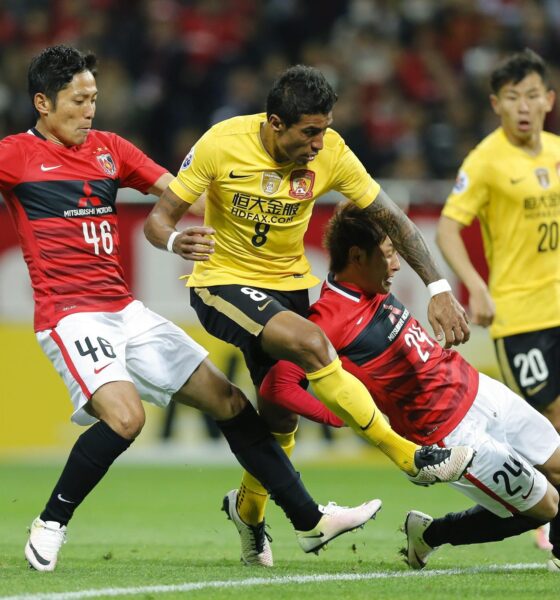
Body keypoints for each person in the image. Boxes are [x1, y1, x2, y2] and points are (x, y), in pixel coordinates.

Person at [3, 45, 387, 573]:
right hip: (70, 314)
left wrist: (195, 231)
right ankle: (50, 522)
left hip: (125, 310)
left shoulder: (110, 149)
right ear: (42, 103)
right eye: (78, 100)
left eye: (94, 98)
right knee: (126, 417)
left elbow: (179, 193)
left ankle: (309, 519)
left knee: (230, 401)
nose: (90, 110)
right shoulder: (15, 156)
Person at [144, 64, 474, 566]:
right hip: (222, 283)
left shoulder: (334, 152)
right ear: (275, 123)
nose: (320, 143)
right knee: (314, 345)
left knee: (278, 418)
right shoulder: (220, 143)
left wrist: (439, 286)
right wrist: (174, 240)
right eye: (310, 132)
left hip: (291, 288)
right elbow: (157, 220)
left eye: (325, 129)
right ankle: (410, 458)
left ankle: (248, 513)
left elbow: (392, 218)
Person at [260, 202, 560, 572]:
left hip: (479, 389)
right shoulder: (327, 321)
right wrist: (345, 417)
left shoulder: (372, 285)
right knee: (545, 506)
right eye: (388, 256)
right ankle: (432, 534)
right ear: (357, 256)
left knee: (559, 467)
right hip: (450, 434)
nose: (397, 265)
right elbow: (276, 388)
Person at [436, 48, 560, 551]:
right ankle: (540, 516)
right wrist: (475, 285)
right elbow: (447, 228)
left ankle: (540, 515)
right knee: (551, 426)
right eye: (513, 97)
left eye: (532, 95)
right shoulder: (485, 161)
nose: (524, 106)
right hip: (521, 319)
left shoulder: (556, 150)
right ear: (496, 104)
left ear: (549, 100)